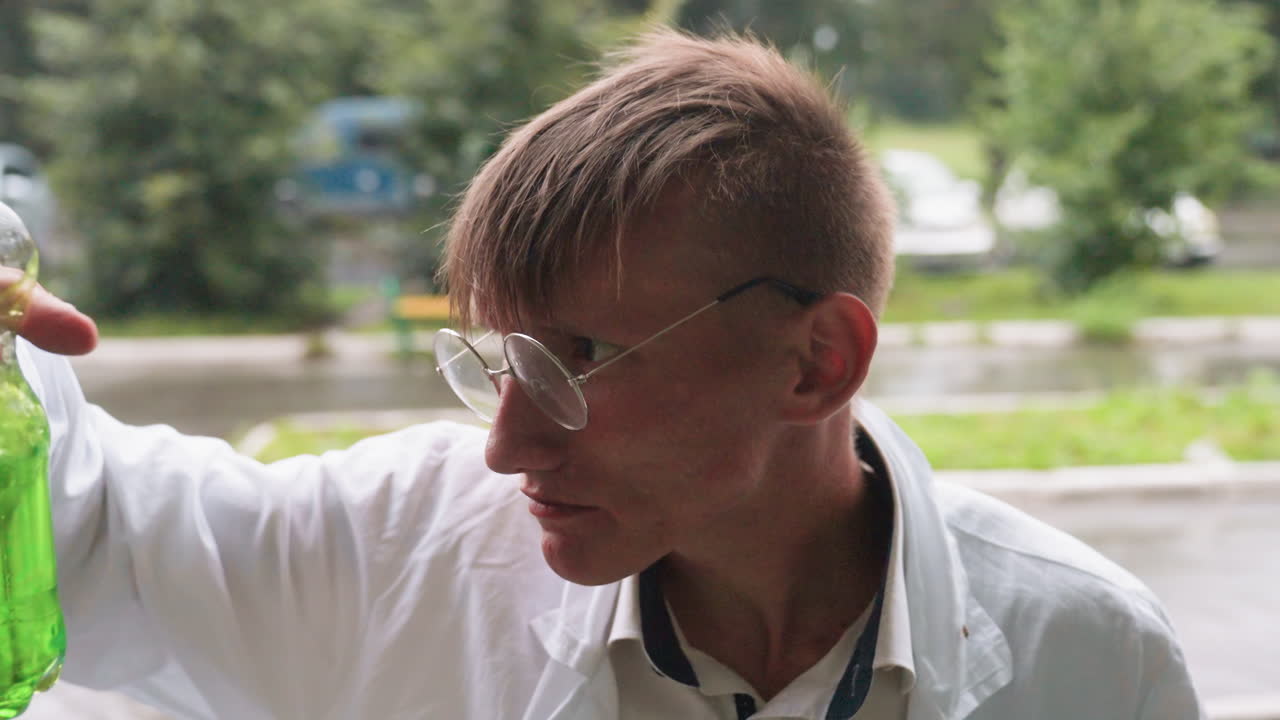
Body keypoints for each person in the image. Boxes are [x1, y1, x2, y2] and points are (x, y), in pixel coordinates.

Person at [13, 30, 1200, 720]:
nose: (506, 446)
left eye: (578, 359)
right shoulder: (401, 555)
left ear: (816, 360)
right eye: (494, 361)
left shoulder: (1088, 658)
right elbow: (84, 526)